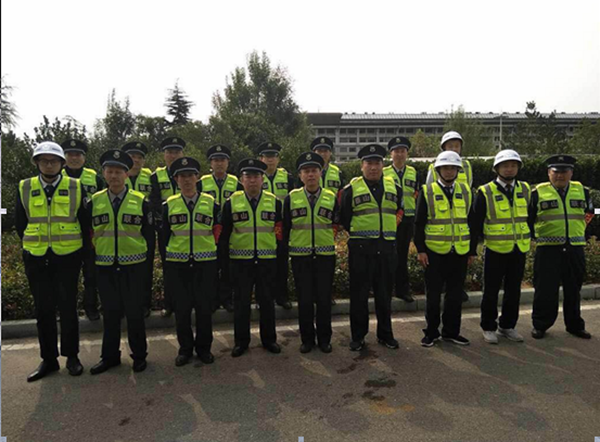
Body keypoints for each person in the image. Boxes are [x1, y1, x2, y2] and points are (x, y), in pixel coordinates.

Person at [17, 141, 89, 381]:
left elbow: (84, 222)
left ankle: (72, 356)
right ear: (37, 163)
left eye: (54, 161)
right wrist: (33, 246)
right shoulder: (25, 187)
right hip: (36, 257)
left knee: (68, 308)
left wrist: (82, 254)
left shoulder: (75, 186)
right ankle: (48, 360)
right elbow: (20, 222)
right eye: (44, 161)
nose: (49, 165)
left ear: (62, 164)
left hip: (68, 256)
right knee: (43, 310)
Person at [88, 149, 153, 375]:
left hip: (134, 267)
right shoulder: (93, 202)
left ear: (126, 174)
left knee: (135, 314)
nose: (114, 176)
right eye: (110, 171)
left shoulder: (141, 201)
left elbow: (149, 236)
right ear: (104, 174)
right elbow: (89, 234)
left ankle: (139, 356)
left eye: (118, 172)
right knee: (110, 313)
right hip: (105, 266)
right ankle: (110, 357)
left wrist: (146, 267)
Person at [340, 144, 403, 351]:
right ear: (362, 166)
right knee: (359, 295)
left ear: (383, 165)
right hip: (361, 250)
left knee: (384, 295)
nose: (373, 167)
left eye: (377, 163)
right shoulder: (351, 189)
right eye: (369, 163)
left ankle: (385, 334)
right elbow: (345, 218)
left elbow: (398, 212)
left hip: (386, 249)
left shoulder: (395, 188)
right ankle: (358, 336)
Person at [219, 158, 282, 357]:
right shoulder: (231, 203)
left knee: (267, 302)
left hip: (267, 261)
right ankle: (241, 342)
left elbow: (280, 234)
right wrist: (224, 264)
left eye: (256, 176)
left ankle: (269, 339)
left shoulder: (274, 202)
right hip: (240, 262)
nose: (252, 180)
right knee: (241, 303)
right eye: (248, 176)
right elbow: (224, 235)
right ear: (241, 180)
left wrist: (280, 261)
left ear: (263, 179)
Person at [162, 157, 220, 366]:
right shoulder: (168, 205)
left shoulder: (212, 204)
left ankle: (204, 348)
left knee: (204, 310)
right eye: (182, 176)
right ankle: (185, 349)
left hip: (205, 265)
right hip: (178, 266)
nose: (186, 180)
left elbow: (218, 234)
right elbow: (164, 238)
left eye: (190, 175)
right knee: (182, 310)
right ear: (176, 179)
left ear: (197, 177)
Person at [529, 154, 593, 340]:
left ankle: (574, 325)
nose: (560, 175)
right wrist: (534, 237)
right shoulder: (537, 193)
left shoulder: (583, 191)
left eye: (564, 172)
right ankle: (540, 325)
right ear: (549, 173)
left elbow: (591, 211)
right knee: (545, 289)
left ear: (571, 173)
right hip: (548, 249)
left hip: (575, 247)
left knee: (574, 289)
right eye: (556, 172)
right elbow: (529, 218)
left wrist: (582, 229)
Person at [415, 151, 475, 347]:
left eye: (453, 168)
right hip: (434, 252)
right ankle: (431, 332)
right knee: (433, 296)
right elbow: (419, 223)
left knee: (455, 296)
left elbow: (471, 222)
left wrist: (471, 250)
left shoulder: (466, 191)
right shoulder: (427, 191)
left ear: (458, 170)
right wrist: (421, 250)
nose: (449, 172)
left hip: (459, 252)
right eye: (445, 168)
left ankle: (451, 332)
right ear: (438, 170)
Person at [470, 149, 530, 344]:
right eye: (505, 166)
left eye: (513, 165)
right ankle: (488, 326)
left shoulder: (525, 189)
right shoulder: (485, 191)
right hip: (495, 249)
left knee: (514, 290)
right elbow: (476, 223)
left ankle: (508, 326)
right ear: (496, 169)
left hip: (518, 248)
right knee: (491, 290)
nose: (509, 169)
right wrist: (472, 249)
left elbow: (530, 217)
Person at [283, 152, 340, 353]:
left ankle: (324, 339)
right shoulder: (291, 198)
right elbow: (286, 228)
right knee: (304, 300)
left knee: (324, 300)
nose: (310, 175)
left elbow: (336, 224)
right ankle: (307, 339)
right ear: (300, 175)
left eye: (314, 170)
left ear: (320, 173)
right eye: (306, 171)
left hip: (325, 257)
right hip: (301, 257)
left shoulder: (331, 197)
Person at [425, 131, 473, 303]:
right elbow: (429, 189)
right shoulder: (434, 166)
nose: (454, 148)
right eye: (450, 146)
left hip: (459, 211)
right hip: (439, 212)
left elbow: (469, 187)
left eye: (457, 145)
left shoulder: (466, 166)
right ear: (443, 148)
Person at [60, 138, 103, 321]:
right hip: (64, 236)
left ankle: (91, 307)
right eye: (70, 154)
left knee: (91, 274)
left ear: (84, 158)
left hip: (89, 233)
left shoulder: (95, 178)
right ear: (64, 157)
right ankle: (65, 310)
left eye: (78, 154)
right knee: (66, 277)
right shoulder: (56, 177)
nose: (74, 158)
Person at [199, 144, 243, 313]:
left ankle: (226, 298)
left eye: (222, 160)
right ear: (211, 163)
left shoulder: (236, 183)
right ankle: (212, 299)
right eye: (216, 160)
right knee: (210, 267)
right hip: (207, 230)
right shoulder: (202, 182)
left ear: (227, 162)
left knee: (226, 266)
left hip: (228, 229)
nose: (219, 163)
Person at [149, 137, 186, 317]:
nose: (173, 155)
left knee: (186, 266)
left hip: (185, 227)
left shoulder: (188, 173)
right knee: (168, 266)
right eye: (169, 152)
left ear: (182, 154)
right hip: (165, 227)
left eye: (176, 152)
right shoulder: (156, 176)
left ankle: (186, 301)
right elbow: (154, 201)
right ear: (164, 155)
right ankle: (170, 303)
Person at [258, 142, 294, 310]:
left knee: (281, 262)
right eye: (267, 156)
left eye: (273, 156)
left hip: (282, 226)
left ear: (278, 159)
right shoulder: (256, 176)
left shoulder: (287, 178)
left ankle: (282, 296)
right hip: (262, 226)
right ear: (261, 159)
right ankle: (265, 297)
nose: (270, 160)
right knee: (264, 264)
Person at [383, 136, 418, 303]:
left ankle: (402, 290)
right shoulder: (384, 173)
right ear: (391, 154)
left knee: (403, 255)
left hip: (408, 219)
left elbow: (416, 194)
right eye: (396, 151)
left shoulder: (413, 172)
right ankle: (387, 288)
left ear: (407, 153)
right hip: (391, 219)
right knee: (389, 255)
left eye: (402, 151)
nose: (399, 154)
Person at [122, 140, 154, 318]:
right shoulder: (117, 174)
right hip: (121, 230)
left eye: (139, 157)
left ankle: (144, 304)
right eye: (132, 156)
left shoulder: (151, 177)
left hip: (144, 228)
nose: (135, 160)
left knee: (145, 269)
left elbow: (156, 199)